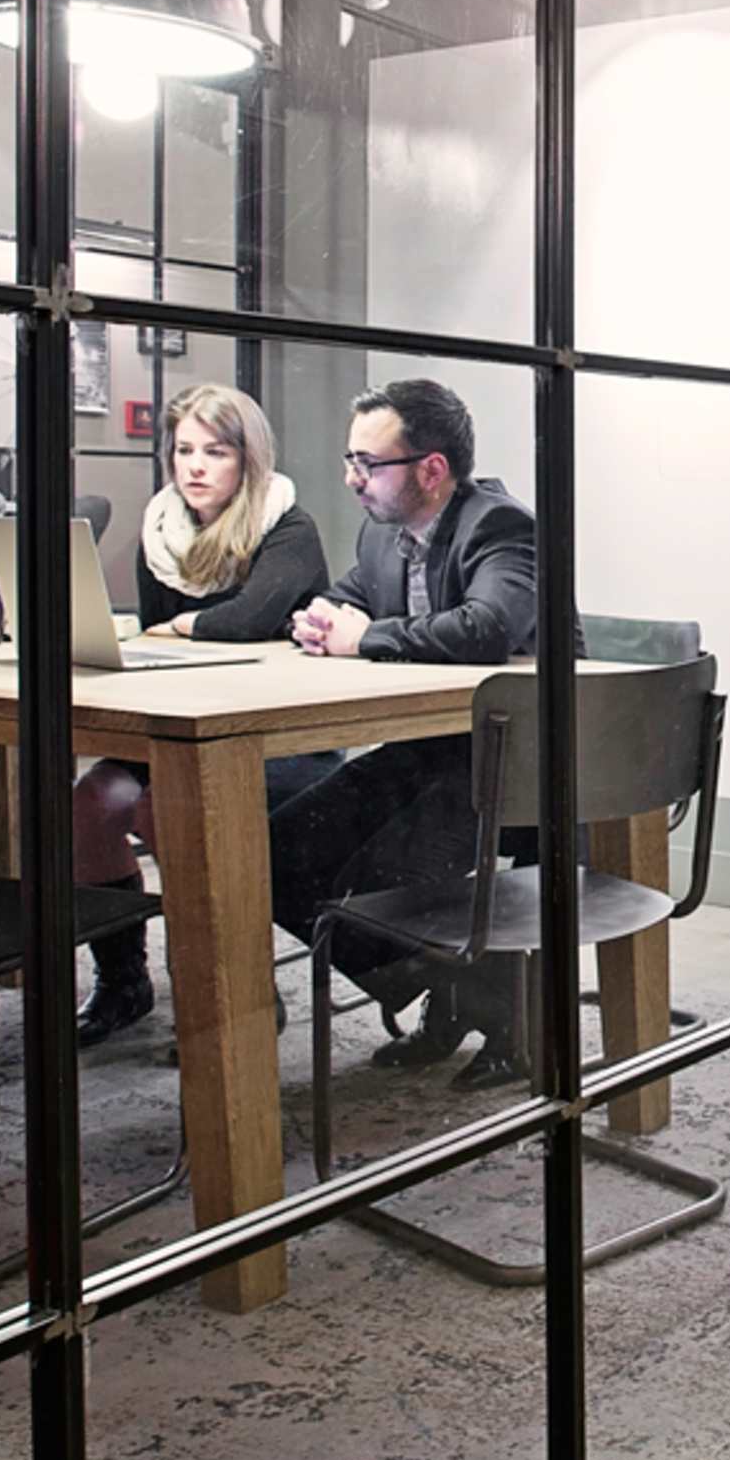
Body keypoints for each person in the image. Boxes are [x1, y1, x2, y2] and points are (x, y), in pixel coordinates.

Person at [271, 377, 562, 1077]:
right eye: (351, 460)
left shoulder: (501, 526)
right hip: (427, 751)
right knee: (277, 854)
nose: (351, 479)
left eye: (367, 464)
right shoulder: (384, 533)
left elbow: (488, 627)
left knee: (379, 884)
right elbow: (348, 599)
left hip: (514, 764)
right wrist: (318, 618)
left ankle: (488, 1004)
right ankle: (461, 991)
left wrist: (364, 638)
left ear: (432, 469)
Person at [69, 385, 330, 1046]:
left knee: (168, 810)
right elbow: (166, 640)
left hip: (274, 734)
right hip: (181, 725)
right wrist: (187, 627)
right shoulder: (162, 532)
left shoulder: (287, 525)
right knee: (92, 803)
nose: (195, 467)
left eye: (215, 452)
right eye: (184, 450)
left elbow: (249, 622)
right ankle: (124, 982)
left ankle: (239, 986)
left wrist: (189, 623)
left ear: (248, 459)